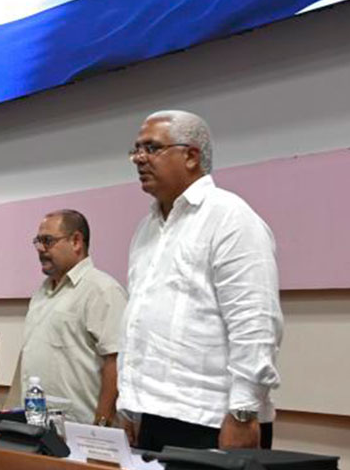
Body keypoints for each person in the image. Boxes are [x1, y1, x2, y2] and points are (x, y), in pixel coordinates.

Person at [118, 110, 283, 451]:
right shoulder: (146, 228)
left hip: (212, 419)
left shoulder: (230, 217)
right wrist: (130, 407)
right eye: (136, 149)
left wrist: (243, 412)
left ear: (191, 156)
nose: (138, 158)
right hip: (153, 414)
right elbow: (138, 323)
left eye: (151, 148)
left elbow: (255, 323)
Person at [20, 209, 126, 425]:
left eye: (47, 241)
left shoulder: (102, 290)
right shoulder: (41, 293)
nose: (40, 248)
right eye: (38, 241)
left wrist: (102, 423)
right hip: (38, 426)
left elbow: (117, 361)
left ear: (76, 241)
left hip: (83, 431)